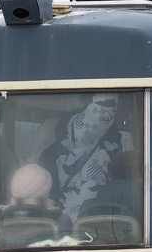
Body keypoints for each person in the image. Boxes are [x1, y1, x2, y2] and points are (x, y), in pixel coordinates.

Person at [40, 96, 122, 224]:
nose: (110, 113)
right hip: (76, 223)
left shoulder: (110, 146)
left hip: (95, 221)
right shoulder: (84, 133)